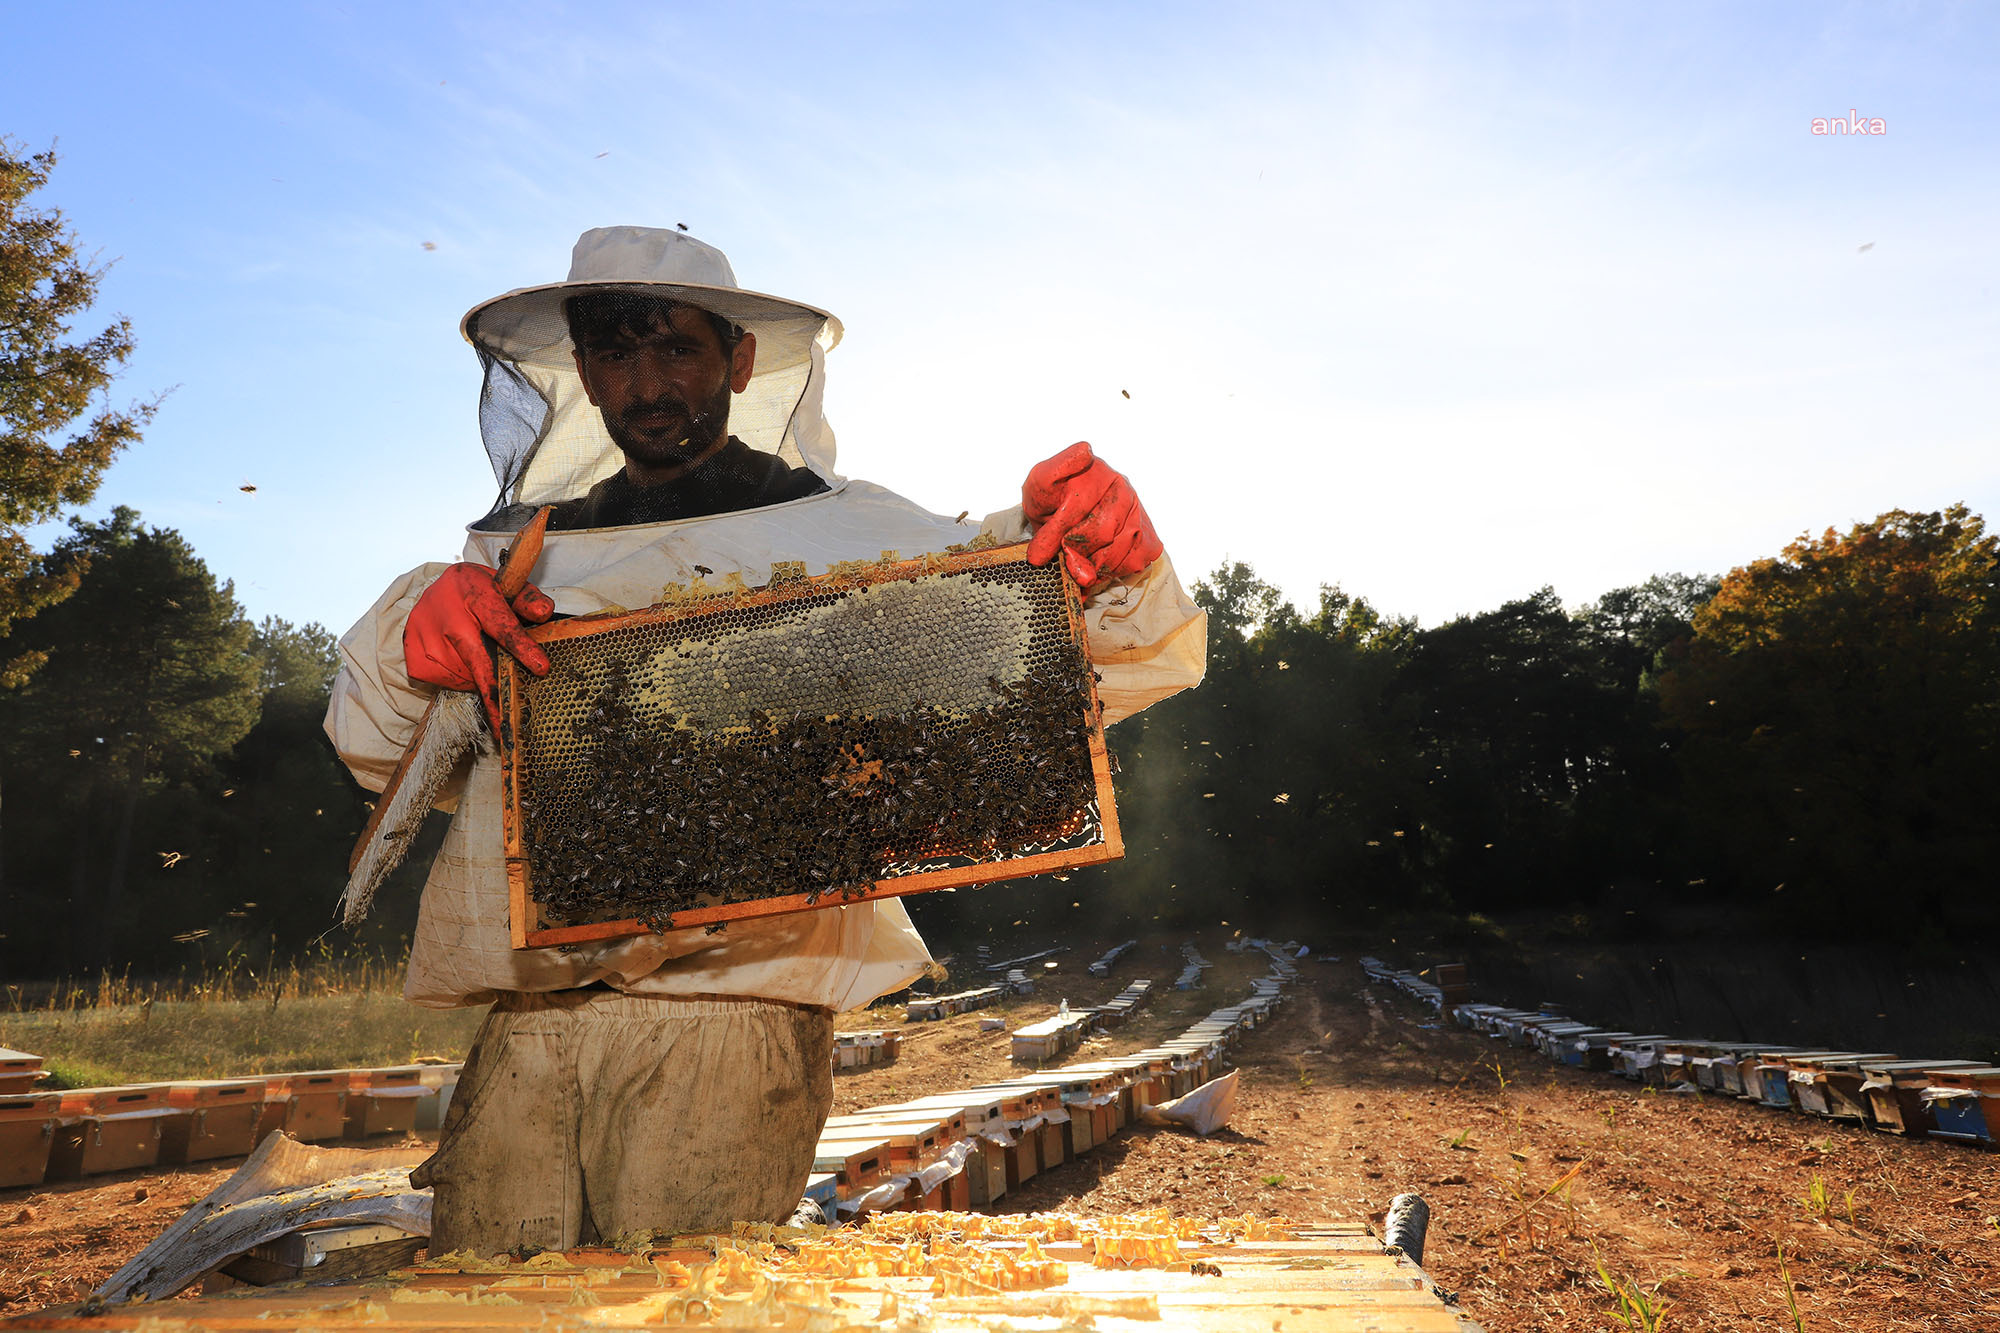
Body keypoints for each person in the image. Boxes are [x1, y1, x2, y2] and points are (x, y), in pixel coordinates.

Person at [324, 226, 1207, 1254]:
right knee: (487, 1300)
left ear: (739, 360)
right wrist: (413, 638)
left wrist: (1110, 558)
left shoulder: (852, 536)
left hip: (735, 1028)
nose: (645, 384)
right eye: (614, 352)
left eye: (676, 350)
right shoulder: (517, 558)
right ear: (580, 371)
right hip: (528, 1031)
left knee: (683, 1307)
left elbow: (1093, 656)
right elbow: (379, 755)